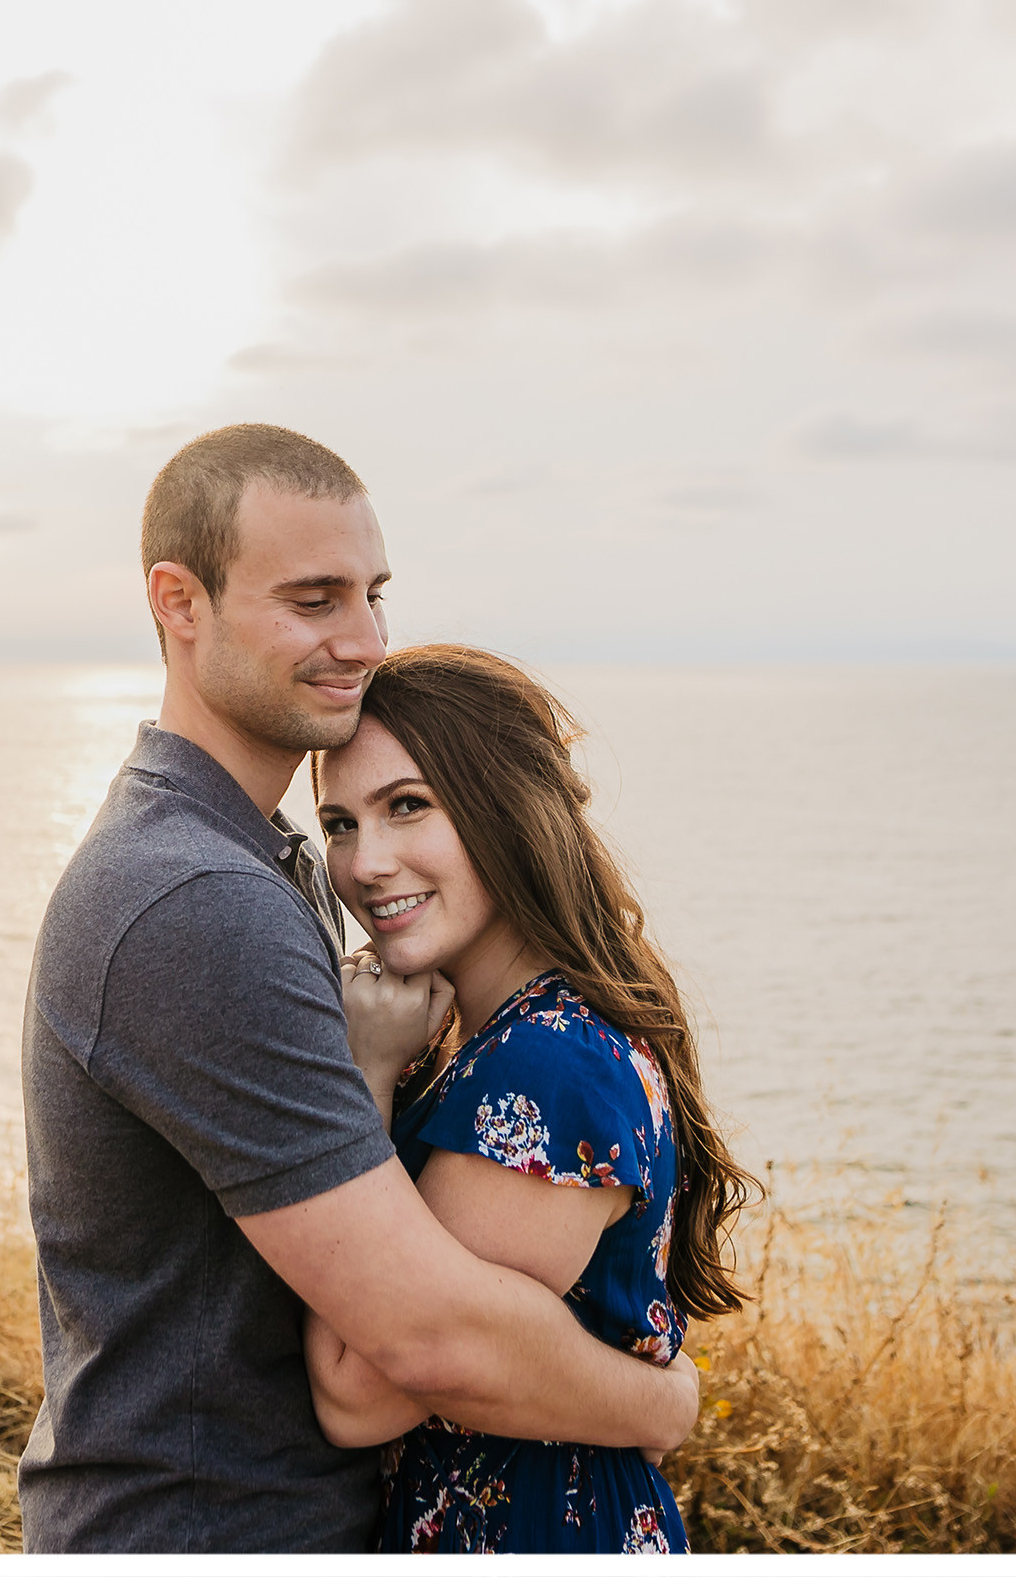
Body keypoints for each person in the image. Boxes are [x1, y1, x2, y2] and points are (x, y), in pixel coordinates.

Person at [19, 425, 703, 1552]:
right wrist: (665, 1402)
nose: (363, 640)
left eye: (372, 594)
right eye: (313, 598)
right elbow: (422, 1340)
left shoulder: (256, 859)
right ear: (179, 603)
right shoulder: (196, 895)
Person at [302, 643, 759, 1554]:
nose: (366, 863)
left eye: (407, 807)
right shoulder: (472, 1033)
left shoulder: (549, 1068)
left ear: (504, 811)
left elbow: (359, 1389)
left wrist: (361, 1075)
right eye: (341, 823)